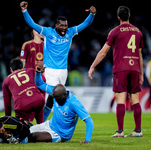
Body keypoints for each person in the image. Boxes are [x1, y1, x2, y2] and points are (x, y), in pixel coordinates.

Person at [20, 1, 96, 120]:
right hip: (50, 70)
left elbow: (85, 24)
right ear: (56, 25)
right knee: (56, 97)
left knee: (52, 99)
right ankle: (51, 123)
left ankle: (41, 122)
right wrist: (24, 11)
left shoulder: (70, 32)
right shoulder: (48, 32)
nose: (64, 28)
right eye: (62, 25)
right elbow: (32, 23)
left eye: (66, 25)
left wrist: (92, 15)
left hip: (63, 71)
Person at [88, 6, 143, 137]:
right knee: (135, 99)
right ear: (129, 16)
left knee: (120, 100)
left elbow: (103, 52)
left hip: (121, 68)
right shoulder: (138, 32)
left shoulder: (115, 31)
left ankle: (120, 131)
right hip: (134, 68)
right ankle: (138, 130)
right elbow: (140, 55)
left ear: (118, 17)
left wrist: (92, 66)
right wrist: (141, 73)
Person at [33, 65, 94, 143]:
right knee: (27, 131)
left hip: (60, 135)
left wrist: (87, 140)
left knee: (33, 136)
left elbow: (89, 121)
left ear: (65, 95)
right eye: (55, 99)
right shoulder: (56, 92)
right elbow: (40, 84)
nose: (57, 101)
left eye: (59, 99)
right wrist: (37, 73)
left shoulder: (74, 103)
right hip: (49, 125)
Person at [2, 57, 45, 124]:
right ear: (23, 67)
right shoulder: (31, 70)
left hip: (22, 105)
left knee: (21, 129)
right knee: (41, 124)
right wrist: (41, 95)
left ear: (11, 70)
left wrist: (8, 119)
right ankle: (41, 128)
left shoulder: (6, 81)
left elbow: (7, 103)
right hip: (39, 100)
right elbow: (43, 80)